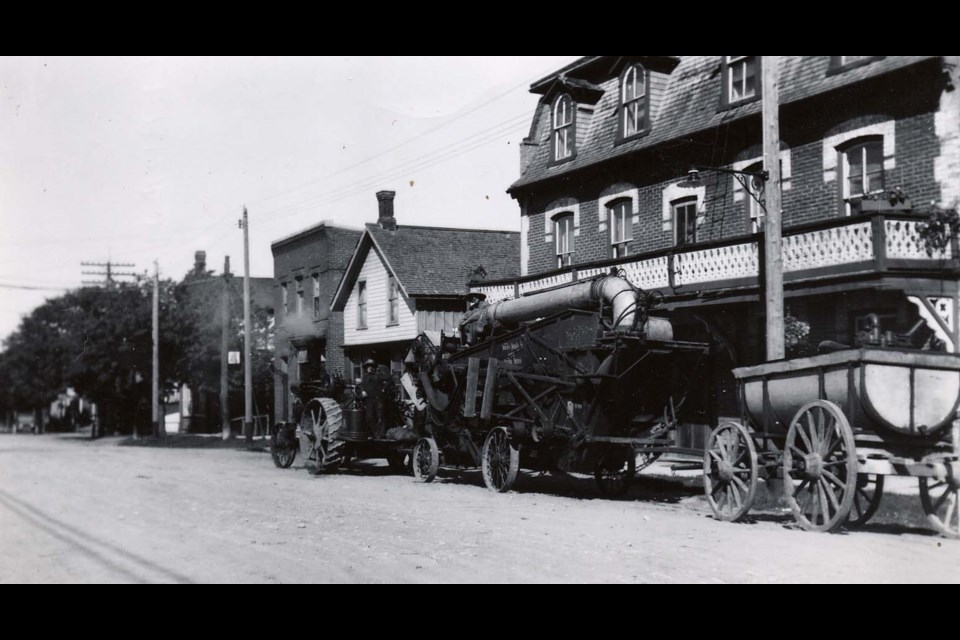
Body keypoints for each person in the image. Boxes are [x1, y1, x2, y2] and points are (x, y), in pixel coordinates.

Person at [361, 359, 389, 438]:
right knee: (369, 417)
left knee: (380, 416)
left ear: (374, 367)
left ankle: (380, 435)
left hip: (378, 398)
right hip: (369, 399)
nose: (370, 368)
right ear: (366, 368)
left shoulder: (378, 375)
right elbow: (362, 385)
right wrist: (363, 391)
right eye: (368, 367)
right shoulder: (365, 377)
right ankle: (373, 433)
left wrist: (383, 389)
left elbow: (388, 380)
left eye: (371, 366)